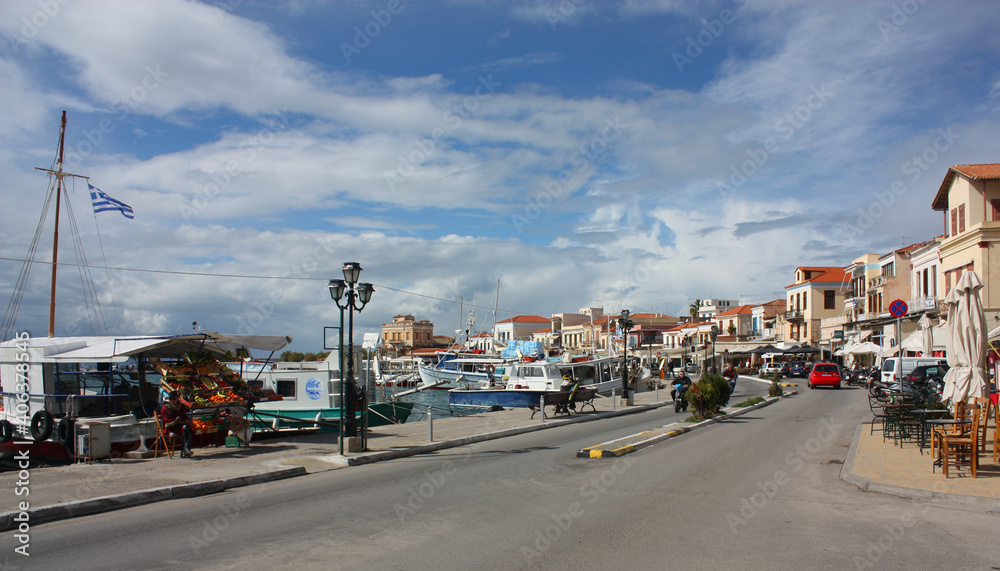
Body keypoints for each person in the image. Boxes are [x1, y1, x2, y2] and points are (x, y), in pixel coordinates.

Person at [161, 391, 194, 457]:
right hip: (171, 426)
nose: (172, 401)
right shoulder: (166, 407)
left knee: (187, 427)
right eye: (171, 399)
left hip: (180, 426)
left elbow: (184, 416)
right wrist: (184, 422)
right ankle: (185, 450)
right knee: (185, 428)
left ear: (177, 398)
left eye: (174, 399)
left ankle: (186, 449)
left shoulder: (180, 407)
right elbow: (170, 420)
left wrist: (189, 422)